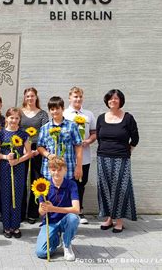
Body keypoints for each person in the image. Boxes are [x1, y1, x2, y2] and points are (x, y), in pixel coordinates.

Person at [96, 89, 139, 233]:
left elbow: (135, 138)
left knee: (120, 189)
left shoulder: (128, 118)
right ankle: (109, 218)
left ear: (120, 100)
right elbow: (99, 138)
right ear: (107, 101)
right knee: (105, 188)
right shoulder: (101, 118)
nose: (113, 101)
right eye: (110, 98)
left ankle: (119, 221)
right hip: (103, 157)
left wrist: (128, 151)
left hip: (121, 158)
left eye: (116, 98)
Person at [0, 107, 31, 238]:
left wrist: (17, 160)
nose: (14, 120)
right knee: (6, 196)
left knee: (17, 196)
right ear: (7, 118)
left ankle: (15, 226)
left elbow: (29, 153)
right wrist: (6, 157)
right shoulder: (1, 134)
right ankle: (6, 227)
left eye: (16, 118)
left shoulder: (23, 134)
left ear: (19, 120)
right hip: (5, 168)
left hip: (19, 168)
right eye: (11, 117)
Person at [35, 157, 80, 261]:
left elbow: (76, 209)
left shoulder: (71, 185)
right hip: (50, 222)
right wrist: (44, 208)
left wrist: (53, 208)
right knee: (41, 253)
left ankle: (67, 244)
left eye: (60, 169)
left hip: (66, 220)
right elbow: (40, 212)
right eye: (53, 170)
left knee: (73, 218)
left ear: (65, 170)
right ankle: (56, 239)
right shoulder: (44, 186)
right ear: (49, 170)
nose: (56, 173)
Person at [63, 87, 97, 224]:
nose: (78, 99)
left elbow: (94, 133)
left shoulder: (88, 114)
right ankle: (66, 210)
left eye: (80, 97)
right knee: (68, 183)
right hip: (68, 157)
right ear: (70, 98)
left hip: (85, 156)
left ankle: (79, 211)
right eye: (75, 96)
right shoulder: (64, 114)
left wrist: (88, 141)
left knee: (81, 184)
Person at [20, 87, 49, 224]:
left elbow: (45, 132)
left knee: (36, 181)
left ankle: (33, 212)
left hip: (38, 149)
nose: (30, 98)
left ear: (36, 97)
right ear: (24, 98)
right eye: (27, 96)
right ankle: (20, 212)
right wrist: (25, 149)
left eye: (32, 96)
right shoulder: (19, 113)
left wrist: (38, 149)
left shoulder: (42, 114)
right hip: (22, 149)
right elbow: (16, 129)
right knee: (21, 180)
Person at [37, 96, 83, 181]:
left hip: (68, 171)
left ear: (63, 109)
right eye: (52, 109)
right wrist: (48, 155)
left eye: (57, 108)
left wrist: (79, 166)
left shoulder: (72, 126)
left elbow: (78, 146)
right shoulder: (45, 128)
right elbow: (40, 146)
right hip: (49, 172)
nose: (55, 111)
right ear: (49, 111)